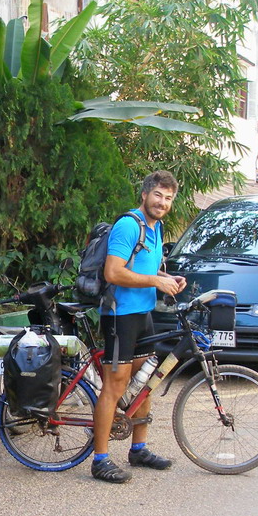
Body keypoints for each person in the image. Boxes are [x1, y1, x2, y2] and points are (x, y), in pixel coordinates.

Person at [91, 171, 186, 483]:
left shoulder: (156, 228)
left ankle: (139, 449)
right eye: (158, 195)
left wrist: (166, 278)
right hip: (120, 316)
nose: (162, 202)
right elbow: (113, 273)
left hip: (143, 313)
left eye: (168, 198)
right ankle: (101, 459)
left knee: (146, 380)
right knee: (115, 385)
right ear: (145, 195)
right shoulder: (128, 226)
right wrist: (156, 280)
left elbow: (145, 267)